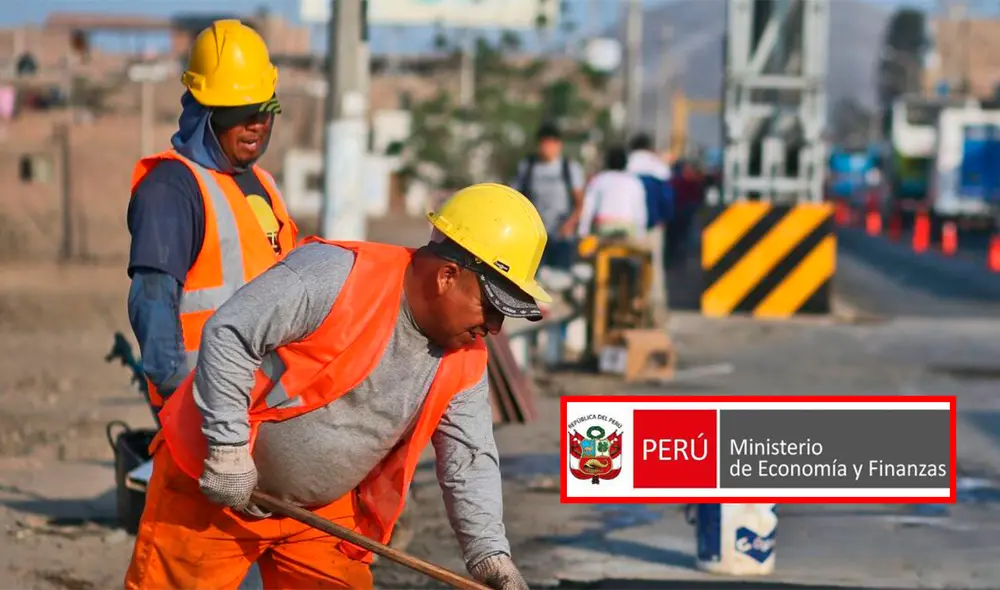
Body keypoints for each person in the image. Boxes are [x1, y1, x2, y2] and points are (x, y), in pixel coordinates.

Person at [123, 183, 549, 590]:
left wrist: (489, 552)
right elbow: (232, 332)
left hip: (321, 519)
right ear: (447, 276)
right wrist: (228, 450)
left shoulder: (466, 357)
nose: (494, 327)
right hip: (211, 483)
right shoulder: (336, 276)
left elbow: (469, 458)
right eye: (492, 308)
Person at [125, 20, 298, 414]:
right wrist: (178, 398)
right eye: (239, 112)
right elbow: (151, 301)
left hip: (265, 401)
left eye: (265, 109)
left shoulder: (263, 183)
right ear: (205, 113)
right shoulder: (172, 188)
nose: (257, 123)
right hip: (205, 405)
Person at [512, 122, 586, 271]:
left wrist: (569, 226)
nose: (547, 147)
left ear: (559, 145)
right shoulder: (527, 167)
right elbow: (515, 197)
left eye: (551, 143)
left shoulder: (569, 168)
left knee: (560, 278)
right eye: (544, 143)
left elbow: (580, 203)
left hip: (561, 237)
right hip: (534, 237)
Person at [577, 145, 649, 239]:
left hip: (603, 227)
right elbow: (640, 212)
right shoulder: (635, 182)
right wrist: (641, 235)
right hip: (628, 228)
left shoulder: (599, 180)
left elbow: (588, 207)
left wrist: (583, 231)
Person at [667, 159, 708, 268]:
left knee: (680, 237)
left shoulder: (676, 181)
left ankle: (678, 257)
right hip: (683, 212)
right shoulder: (691, 181)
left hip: (680, 212)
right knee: (682, 237)